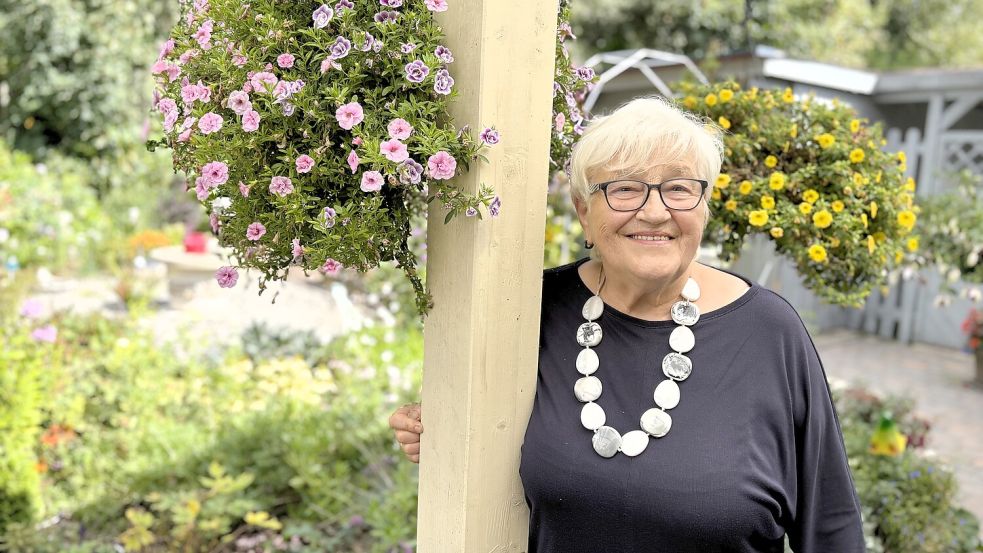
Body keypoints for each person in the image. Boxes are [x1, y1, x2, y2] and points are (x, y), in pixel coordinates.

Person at [389, 96, 865, 552]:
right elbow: (477, 424)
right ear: (583, 213)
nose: (655, 212)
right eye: (624, 188)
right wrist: (434, 424)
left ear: (704, 207)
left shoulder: (769, 333)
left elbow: (831, 527)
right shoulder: (534, 310)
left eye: (679, 188)